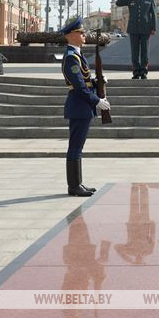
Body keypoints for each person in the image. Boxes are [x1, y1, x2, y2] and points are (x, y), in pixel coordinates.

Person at [60, 16, 110, 197]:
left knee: (78, 146)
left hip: (82, 106)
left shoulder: (77, 55)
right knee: (75, 147)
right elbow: (79, 86)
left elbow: (85, 81)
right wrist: (96, 101)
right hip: (79, 105)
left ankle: (77, 183)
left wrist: (97, 82)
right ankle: (74, 186)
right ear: (70, 36)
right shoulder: (71, 57)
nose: (83, 35)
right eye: (80, 32)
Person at [115, 0, 157, 79]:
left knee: (144, 51)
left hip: (145, 28)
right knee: (135, 51)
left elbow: (153, 14)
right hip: (133, 28)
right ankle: (136, 71)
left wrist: (154, 28)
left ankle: (143, 71)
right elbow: (118, 3)